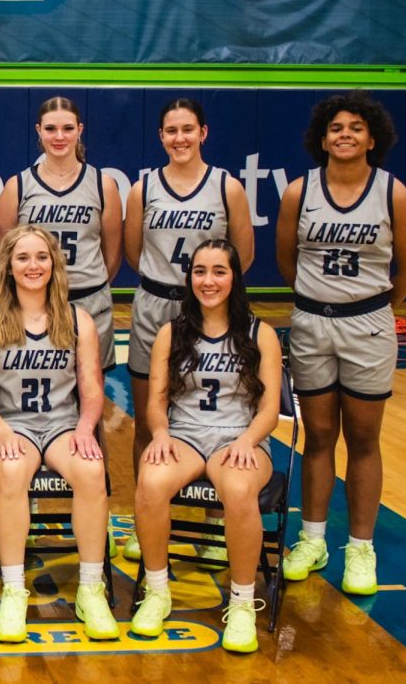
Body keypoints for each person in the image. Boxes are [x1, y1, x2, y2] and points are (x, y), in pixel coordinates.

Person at [276, 91, 406, 595]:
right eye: (336, 127)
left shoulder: (392, 192)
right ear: (322, 138)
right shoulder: (300, 191)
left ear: (372, 137)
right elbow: (286, 261)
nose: (345, 134)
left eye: (355, 127)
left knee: (363, 439)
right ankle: (313, 540)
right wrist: (321, 302)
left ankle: (361, 548)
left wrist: (375, 307)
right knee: (317, 436)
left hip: (369, 324)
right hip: (314, 323)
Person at [0, 224, 116, 643]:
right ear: (9, 267)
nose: (33, 265)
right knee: (12, 472)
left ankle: (91, 588)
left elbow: (91, 387)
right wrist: (0, 431)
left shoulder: (77, 318)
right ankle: (14, 591)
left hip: (63, 425)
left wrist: (86, 428)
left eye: (41, 257)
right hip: (11, 425)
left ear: (55, 264)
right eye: (23, 258)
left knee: (91, 469)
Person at [130, 239, 281, 654]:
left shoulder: (260, 333)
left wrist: (250, 439)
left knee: (236, 490)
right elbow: (156, 402)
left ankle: (242, 601)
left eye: (219, 271)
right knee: (151, 482)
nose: (208, 280)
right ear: (189, 277)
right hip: (185, 435)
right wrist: (160, 434)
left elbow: (270, 408)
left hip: (239, 437)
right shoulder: (172, 332)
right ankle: (158, 591)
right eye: (200, 271)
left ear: (235, 277)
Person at [122, 98, 254, 561]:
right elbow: (134, 252)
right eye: (170, 130)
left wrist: (207, 289)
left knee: (219, 412)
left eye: (187, 129)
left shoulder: (227, 187)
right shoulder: (144, 189)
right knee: (149, 418)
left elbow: (243, 255)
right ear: (160, 137)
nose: (179, 138)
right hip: (155, 302)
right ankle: (146, 524)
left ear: (203, 132)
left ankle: (220, 527)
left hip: (209, 303)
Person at [0, 96, 122, 372]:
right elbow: (3, 257)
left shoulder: (103, 185)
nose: (60, 136)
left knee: (93, 395)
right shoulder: (18, 186)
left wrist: (87, 283)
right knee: (47, 393)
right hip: (37, 305)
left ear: (80, 130)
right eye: (51, 129)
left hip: (90, 302)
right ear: (39, 131)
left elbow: (112, 254)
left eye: (67, 128)